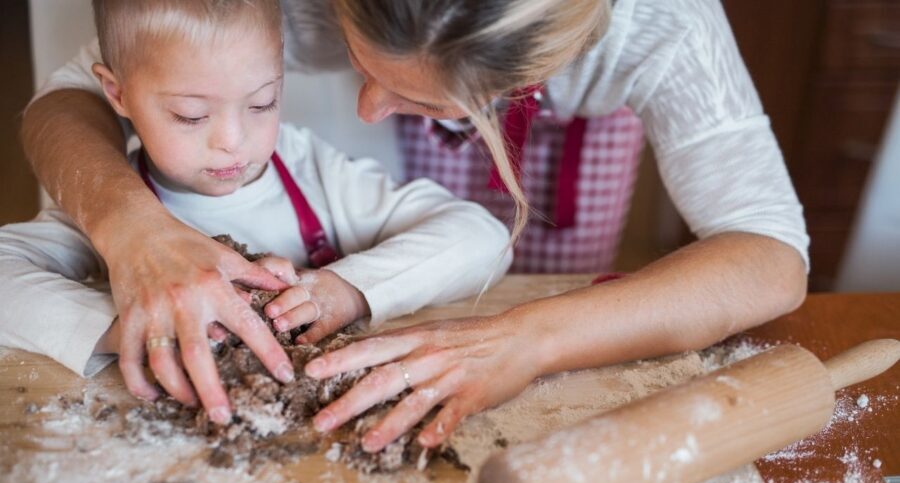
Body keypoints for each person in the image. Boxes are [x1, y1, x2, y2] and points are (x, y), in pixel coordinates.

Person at [22, 0, 808, 453]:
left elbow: (768, 254)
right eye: (360, 66)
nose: (363, 112)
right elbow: (67, 101)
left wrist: (527, 339)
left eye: (418, 100)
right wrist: (137, 234)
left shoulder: (661, 24)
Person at [1, 0, 512, 424]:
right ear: (117, 93)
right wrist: (134, 324)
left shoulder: (315, 174)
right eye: (190, 115)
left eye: (263, 103)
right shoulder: (104, 205)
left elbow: (482, 239)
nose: (232, 141)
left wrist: (344, 289)